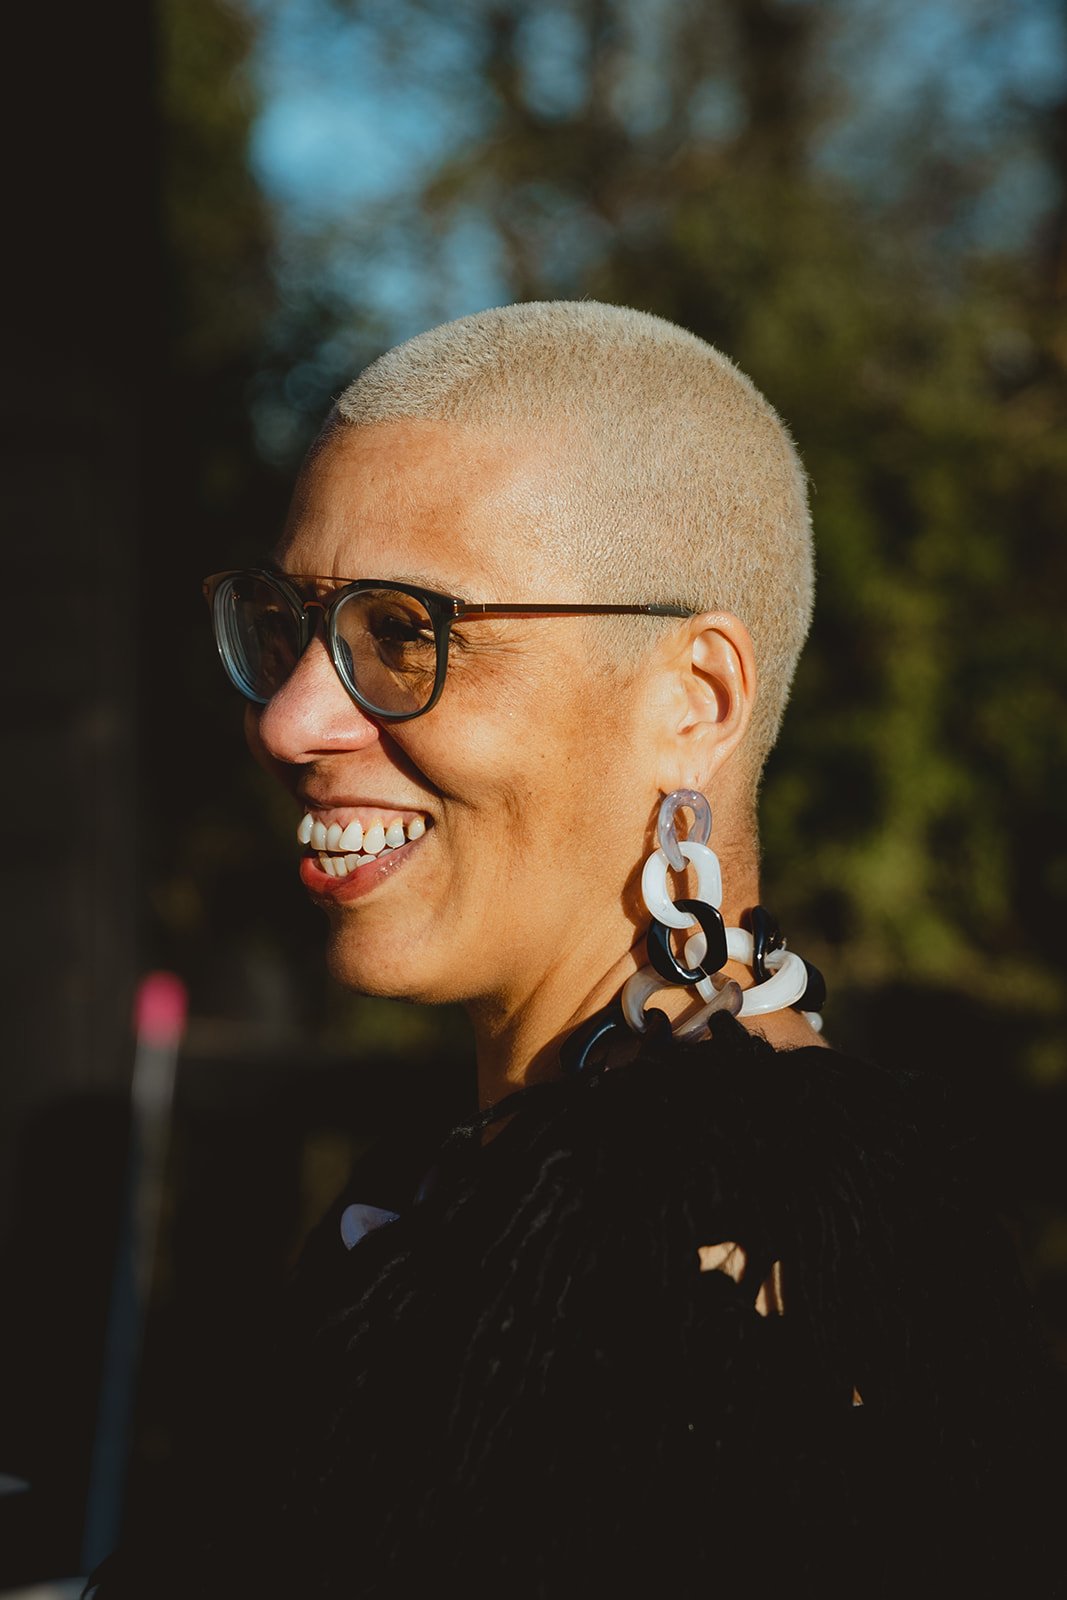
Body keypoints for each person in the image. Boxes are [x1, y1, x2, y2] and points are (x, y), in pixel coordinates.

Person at [89, 302, 1063, 1597]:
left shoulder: (753, 1267)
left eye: (405, 634)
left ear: (693, 702)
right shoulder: (483, 1196)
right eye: (285, 627)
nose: (290, 719)